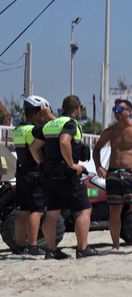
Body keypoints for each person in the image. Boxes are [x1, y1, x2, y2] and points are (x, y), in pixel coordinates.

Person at [33, 95, 100, 259]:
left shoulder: (50, 124)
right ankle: (83, 249)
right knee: (83, 210)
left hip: (49, 174)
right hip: (67, 174)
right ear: (78, 109)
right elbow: (64, 141)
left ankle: (51, 250)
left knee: (52, 212)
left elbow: (34, 147)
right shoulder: (70, 124)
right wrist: (71, 164)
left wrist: (42, 164)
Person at [94, 98, 132, 249]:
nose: (117, 113)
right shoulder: (110, 131)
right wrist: (99, 166)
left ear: (129, 112)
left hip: (131, 173)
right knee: (114, 211)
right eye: (115, 110)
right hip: (113, 174)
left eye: (120, 110)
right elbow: (97, 148)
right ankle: (115, 245)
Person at [11, 97, 54, 256]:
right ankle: (33, 245)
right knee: (37, 210)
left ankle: (20, 246)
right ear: (38, 112)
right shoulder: (33, 131)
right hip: (34, 174)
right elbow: (35, 148)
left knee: (23, 211)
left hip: (22, 174)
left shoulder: (18, 130)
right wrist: (42, 163)